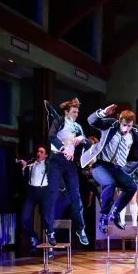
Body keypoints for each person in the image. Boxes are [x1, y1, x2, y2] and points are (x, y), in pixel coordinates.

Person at [82, 104, 138, 233]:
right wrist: (103, 113)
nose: (126, 129)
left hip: (115, 168)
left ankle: (116, 213)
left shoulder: (134, 133)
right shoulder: (110, 126)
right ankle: (104, 217)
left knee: (132, 186)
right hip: (100, 165)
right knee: (110, 184)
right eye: (124, 125)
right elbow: (91, 120)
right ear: (119, 122)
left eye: (129, 126)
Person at [46, 98, 92, 245]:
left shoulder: (77, 127)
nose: (76, 114)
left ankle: (81, 229)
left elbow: (88, 143)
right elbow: (51, 136)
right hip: (56, 160)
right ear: (66, 112)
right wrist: (63, 148)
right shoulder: (59, 121)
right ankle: (50, 231)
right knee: (52, 195)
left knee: (76, 196)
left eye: (77, 112)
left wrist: (82, 138)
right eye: (73, 112)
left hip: (69, 163)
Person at [15, 146, 54, 255]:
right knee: (24, 218)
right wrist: (22, 164)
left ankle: (50, 246)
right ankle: (34, 238)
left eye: (41, 152)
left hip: (44, 191)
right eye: (38, 151)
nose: (38, 153)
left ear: (46, 155)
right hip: (31, 192)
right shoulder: (31, 162)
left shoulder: (49, 165)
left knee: (46, 218)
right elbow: (19, 163)